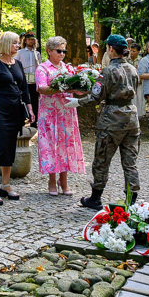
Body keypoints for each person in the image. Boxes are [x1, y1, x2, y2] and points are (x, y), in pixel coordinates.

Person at [66, 34, 140, 210]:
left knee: (102, 159)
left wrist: (77, 102)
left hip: (112, 120)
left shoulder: (107, 71)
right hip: (131, 117)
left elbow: (96, 97)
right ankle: (132, 201)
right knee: (130, 161)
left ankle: (95, 198)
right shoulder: (132, 69)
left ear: (111, 49)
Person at [0, 32, 34, 205]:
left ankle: (6, 184)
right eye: (14, 43)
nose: (17, 46)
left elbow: (24, 89)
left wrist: (30, 109)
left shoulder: (18, 64)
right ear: (5, 44)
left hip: (15, 112)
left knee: (10, 148)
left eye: (18, 43)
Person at [35, 36, 85, 196]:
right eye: (59, 51)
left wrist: (85, 87)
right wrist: (61, 88)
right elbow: (42, 88)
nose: (62, 54)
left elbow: (74, 88)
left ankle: (64, 180)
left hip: (66, 112)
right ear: (49, 51)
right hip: (49, 114)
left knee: (65, 145)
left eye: (64, 51)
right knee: (51, 146)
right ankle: (51, 180)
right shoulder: (42, 68)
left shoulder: (69, 69)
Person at [17, 32, 41, 126]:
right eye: (29, 39)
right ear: (25, 41)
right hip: (23, 80)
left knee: (34, 100)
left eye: (32, 40)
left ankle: (34, 121)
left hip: (34, 80)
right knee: (22, 99)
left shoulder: (37, 53)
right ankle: (22, 119)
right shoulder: (20, 52)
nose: (30, 41)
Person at [126, 42, 145, 119]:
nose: (132, 53)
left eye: (134, 51)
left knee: (139, 99)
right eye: (131, 50)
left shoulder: (142, 60)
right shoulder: (126, 59)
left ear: (138, 52)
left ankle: (139, 115)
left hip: (139, 83)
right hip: (129, 82)